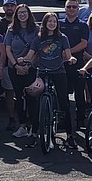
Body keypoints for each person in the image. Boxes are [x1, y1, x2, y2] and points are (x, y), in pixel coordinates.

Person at [27, 13, 78, 149]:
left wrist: (71, 59)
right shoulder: (38, 39)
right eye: (49, 21)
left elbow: (68, 54)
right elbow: (30, 54)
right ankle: (33, 134)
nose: (52, 24)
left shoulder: (62, 38)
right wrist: (24, 59)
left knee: (64, 102)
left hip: (58, 71)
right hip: (42, 72)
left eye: (54, 21)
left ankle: (70, 135)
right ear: (45, 23)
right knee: (37, 103)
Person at [5, 4, 40, 137]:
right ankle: (22, 126)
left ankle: (34, 127)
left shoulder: (36, 29)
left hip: (31, 68)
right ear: (16, 15)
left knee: (32, 98)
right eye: (20, 13)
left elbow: (38, 49)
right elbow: (7, 49)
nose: (22, 15)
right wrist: (16, 66)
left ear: (29, 14)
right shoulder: (11, 29)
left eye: (25, 12)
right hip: (14, 68)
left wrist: (28, 64)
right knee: (19, 98)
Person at [59, 0, 90, 126]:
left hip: (77, 63)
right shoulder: (59, 24)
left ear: (78, 9)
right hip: (61, 64)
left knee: (79, 93)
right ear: (65, 9)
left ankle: (80, 119)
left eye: (74, 7)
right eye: (69, 7)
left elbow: (84, 43)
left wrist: (68, 52)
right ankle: (63, 119)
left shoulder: (83, 25)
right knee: (63, 93)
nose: (71, 9)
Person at [0, 0, 19, 130]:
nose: (9, 8)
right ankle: (11, 119)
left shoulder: (21, 22)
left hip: (22, 63)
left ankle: (25, 120)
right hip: (7, 63)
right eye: (7, 6)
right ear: (3, 8)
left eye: (12, 6)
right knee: (9, 93)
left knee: (23, 93)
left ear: (16, 7)